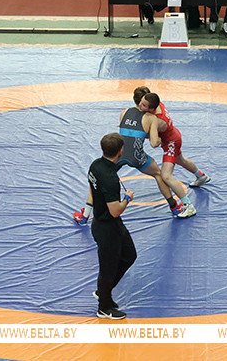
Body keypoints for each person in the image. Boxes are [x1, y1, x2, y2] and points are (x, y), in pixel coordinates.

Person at [73, 89, 196, 223]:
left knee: (97, 180)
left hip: (118, 154)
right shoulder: (151, 118)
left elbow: (127, 130)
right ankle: (174, 207)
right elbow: (154, 143)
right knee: (158, 174)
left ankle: (85, 215)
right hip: (137, 157)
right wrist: (159, 139)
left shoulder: (124, 112)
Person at [136, 88, 209, 213]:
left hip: (171, 142)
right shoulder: (156, 103)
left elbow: (151, 140)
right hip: (173, 136)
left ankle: (188, 205)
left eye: (143, 105)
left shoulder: (157, 121)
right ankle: (201, 176)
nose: (139, 106)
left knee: (166, 176)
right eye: (140, 102)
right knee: (181, 160)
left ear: (151, 109)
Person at [88, 133, 136, 320]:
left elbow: (92, 190)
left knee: (129, 255)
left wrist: (87, 210)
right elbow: (115, 210)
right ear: (120, 151)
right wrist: (127, 198)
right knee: (108, 269)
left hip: (108, 224)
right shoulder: (110, 177)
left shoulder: (95, 165)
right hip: (107, 227)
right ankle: (104, 307)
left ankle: (103, 292)